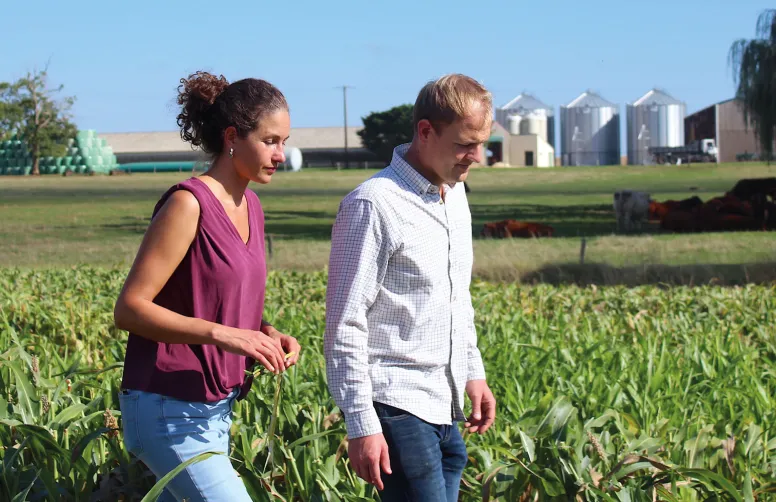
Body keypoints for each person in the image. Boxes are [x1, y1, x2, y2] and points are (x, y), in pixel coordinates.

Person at [113, 71, 301, 502]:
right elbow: (129, 309)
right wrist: (224, 335)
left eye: (284, 141)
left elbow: (224, 300)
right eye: (270, 140)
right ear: (233, 136)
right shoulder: (188, 203)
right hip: (168, 407)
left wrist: (265, 333)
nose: (281, 154)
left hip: (215, 408)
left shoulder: (251, 204)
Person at [324, 73, 497, 502]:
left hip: (445, 403)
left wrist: (473, 371)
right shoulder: (373, 204)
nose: (476, 156)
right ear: (425, 131)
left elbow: (458, 297)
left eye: (481, 144)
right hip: (396, 406)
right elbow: (344, 323)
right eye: (464, 144)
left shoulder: (454, 195)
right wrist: (361, 423)